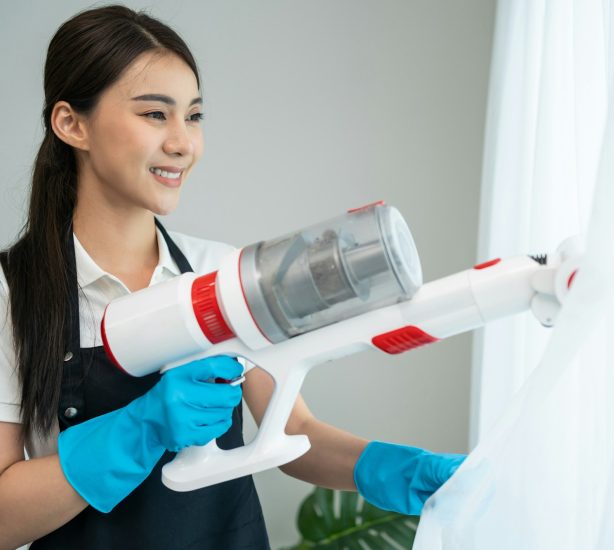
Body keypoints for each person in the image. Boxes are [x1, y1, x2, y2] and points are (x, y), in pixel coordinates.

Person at [0, 6, 465, 549]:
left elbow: (294, 435)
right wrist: (139, 429)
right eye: (155, 114)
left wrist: (406, 471)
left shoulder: (224, 276)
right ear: (71, 124)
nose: (183, 143)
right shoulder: (13, 292)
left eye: (193, 116)